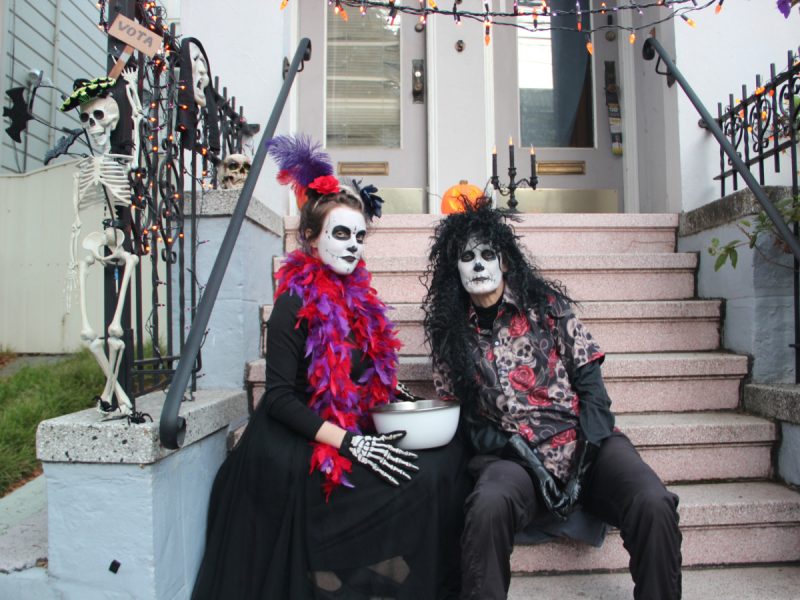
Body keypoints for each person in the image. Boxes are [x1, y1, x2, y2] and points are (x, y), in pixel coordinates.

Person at [191, 135, 469, 600]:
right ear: (311, 237)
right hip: (293, 443)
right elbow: (278, 398)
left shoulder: (356, 297)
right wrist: (352, 443)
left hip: (344, 425)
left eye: (360, 236)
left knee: (444, 463)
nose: (353, 245)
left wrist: (394, 394)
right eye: (341, 234)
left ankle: (391, 580)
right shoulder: (293, 301)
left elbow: (358, 369)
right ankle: (352, 581)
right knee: (404, 481)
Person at [422, 202, 682, 600]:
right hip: (514, 459)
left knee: (653, 502)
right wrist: (528, 461)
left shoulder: (547, 307)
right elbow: (467, 420)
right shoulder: (450, 336)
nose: (478, 265)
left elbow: (594, 393)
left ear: (505, 263)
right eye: (467, 256)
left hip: (586, 444)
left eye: (487, 254)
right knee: (488, 506)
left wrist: (581, 464)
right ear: (453, 268)